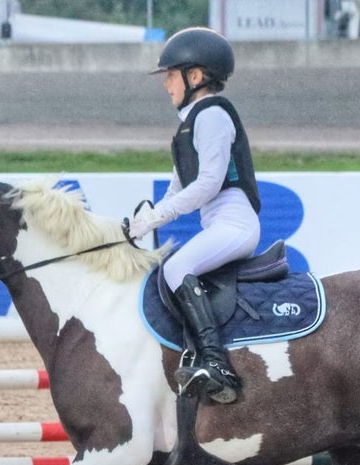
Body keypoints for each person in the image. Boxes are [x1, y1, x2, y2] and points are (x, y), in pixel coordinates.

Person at [129, 26, 262, 404]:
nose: (166, 84)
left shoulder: (213, 116)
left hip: (236, 224)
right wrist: (143, 220)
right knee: (169, 266)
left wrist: (157, 217)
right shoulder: (187, 126)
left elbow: (207, 184)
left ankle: (217, 365)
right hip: (220, 223)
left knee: (175, 269)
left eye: (171, 75)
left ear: (196, 76)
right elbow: (176, 189)